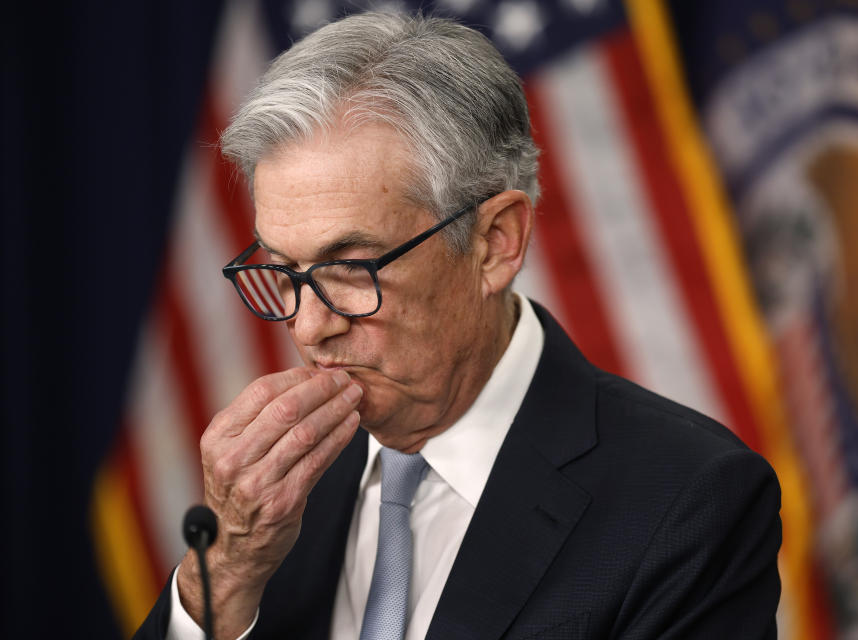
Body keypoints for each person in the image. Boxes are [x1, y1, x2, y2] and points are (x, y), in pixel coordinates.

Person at [135, 11, 781, 640]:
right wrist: (220, 575)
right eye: (284, 273)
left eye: (353, 268)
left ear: (496, 242)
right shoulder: (266, 498)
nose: (308, 327)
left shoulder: (689, 503)